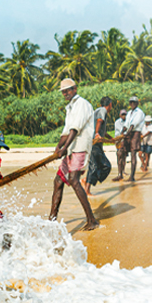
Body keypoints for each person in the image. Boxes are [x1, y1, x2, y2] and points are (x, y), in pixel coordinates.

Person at [49, 78, 98, 230]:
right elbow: (66, 131)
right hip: (71, 148)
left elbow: (75, 129)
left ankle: (92, 220)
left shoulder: (82, 104)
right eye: (63, 91)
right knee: (58, 181)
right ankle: (51, 220)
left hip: (80, 147)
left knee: (74, 180)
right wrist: (58, 147)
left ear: (75, 89)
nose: (65, 93)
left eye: (68, 90)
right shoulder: (70, 107)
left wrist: (64, 149)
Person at [82, 96, 113, 196]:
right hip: (94, 142)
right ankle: (87, 185)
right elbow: (99, 121)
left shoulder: (98, 110)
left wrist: (110, 138)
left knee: (96, 166)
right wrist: (96, 134)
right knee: (104, 166)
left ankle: (87, 182)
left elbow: (101, 129)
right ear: (110, 105)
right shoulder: (102, 110)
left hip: (95, 143)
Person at [113, 95, 145, 182]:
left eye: (134, 102)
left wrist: (127, 132)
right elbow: (126, 124)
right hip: (128, 134)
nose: (132, 104)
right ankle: (120, 174)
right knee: (121, 151)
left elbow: (133, 124)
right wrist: (122, 132)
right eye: (131, 102)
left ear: (137, 103)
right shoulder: (129, 112)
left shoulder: (139, 112)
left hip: (135, 134)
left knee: (133, 154)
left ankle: (132, 176)